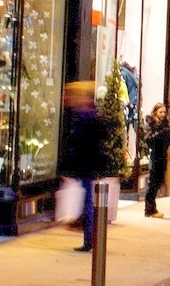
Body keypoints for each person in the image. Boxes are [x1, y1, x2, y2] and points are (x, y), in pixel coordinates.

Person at [61, 82, 106, 252]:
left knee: (88, 201)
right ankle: (89, 236)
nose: (68, 98)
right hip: (89, 165)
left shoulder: (83, 116)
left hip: (85, 165)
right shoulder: (92, 114)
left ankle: (89, 238)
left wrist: (68, 167)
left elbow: (79, 145)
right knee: (88, 199)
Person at [144, 102, 170, 217]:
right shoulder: (150, 123)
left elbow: (167, 142)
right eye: (160, 112)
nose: (163, 114)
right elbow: (149, 140)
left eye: (164, 112)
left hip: (163, 156)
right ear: (155, 112)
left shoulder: (165, 124)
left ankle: (152, 208)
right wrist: (161, 133)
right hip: (154, 156)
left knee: (158, 181)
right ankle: (149, 209)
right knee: (153, 183)